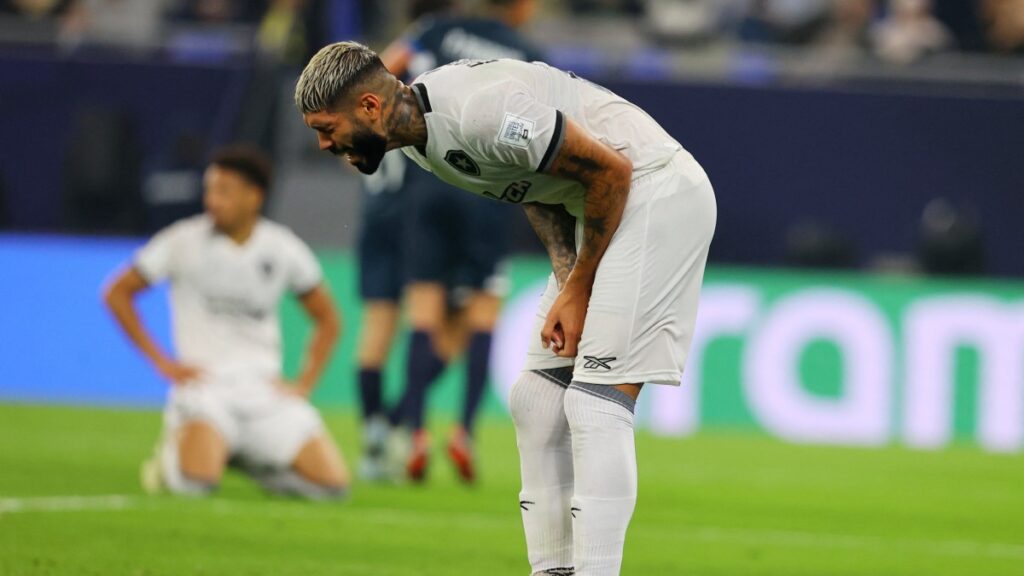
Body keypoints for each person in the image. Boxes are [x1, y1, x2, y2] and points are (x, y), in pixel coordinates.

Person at [295, 43, 716, 575]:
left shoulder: (479, 113)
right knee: (536, 399)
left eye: (326, 127)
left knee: (595, 403)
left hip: (657, 191)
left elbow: (609, 170)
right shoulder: (421, 142)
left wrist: (579, 288)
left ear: (371, 109)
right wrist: (569, 281)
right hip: (607, 209)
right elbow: (535, 188)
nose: (322, 142)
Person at [355, 0, 542, 484]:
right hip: (486, 190)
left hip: (428, 184)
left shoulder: (438, 29)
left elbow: (379, 75)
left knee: (423, 311)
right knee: (480, 313)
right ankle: (463, 433)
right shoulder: (526, 52)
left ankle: (413, 434)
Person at [103, 145, 350, 500]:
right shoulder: (182, 240)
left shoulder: (282, 248)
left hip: (264, 392)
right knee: (195, 487)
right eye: (210, 190)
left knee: (332, 489)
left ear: (254, 196)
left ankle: (251, 460)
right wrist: (161, 362)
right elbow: (117, 292)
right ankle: (173, 459)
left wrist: (304, 383)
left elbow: (328, 319)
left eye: (224, 191)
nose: (212, 201)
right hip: (206, 389)